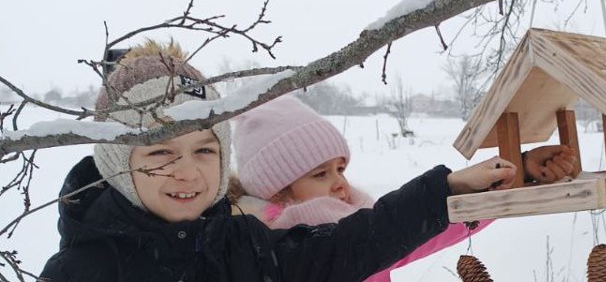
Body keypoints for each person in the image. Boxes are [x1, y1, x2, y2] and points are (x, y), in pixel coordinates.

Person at [39, 41, 519, 282]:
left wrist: (452, 191)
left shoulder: (238, 245)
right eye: (161, 151)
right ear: (118, 162)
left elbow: (364, 239)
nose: (188, 171)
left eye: (204, 149)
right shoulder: (81, 271)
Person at [229, 95, 578, 281]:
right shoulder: (268, 256)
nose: (340, 182)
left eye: (340, 168)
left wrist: (517, 174)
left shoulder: (357, 224)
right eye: (320, 174)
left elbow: (423, 229)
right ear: (276, 191)